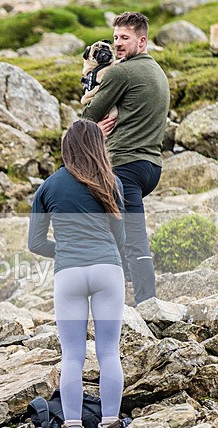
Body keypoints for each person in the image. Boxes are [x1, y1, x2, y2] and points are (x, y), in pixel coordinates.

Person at [28, 120, 126, 428]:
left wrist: (67, 251)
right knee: (109, 350)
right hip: (107, 270)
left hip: (68, 274)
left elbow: (35, 242)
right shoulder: (111, 182)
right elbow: (120, 238)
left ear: (66, 148)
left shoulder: (49, 186)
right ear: (99, 146)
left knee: (72, 355)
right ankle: (111, 425)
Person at [82, 11, 169, 305]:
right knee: (114, 226)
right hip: (151, 166)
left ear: (142, 40)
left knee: (132, 237)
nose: (118, 44)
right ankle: (125, 286)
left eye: (125, 38)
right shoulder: (157, 71)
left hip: (125, 165)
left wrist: (95, 124)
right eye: (116, 37)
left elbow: (88, 117)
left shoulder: (121, 73)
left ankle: (147, 303)